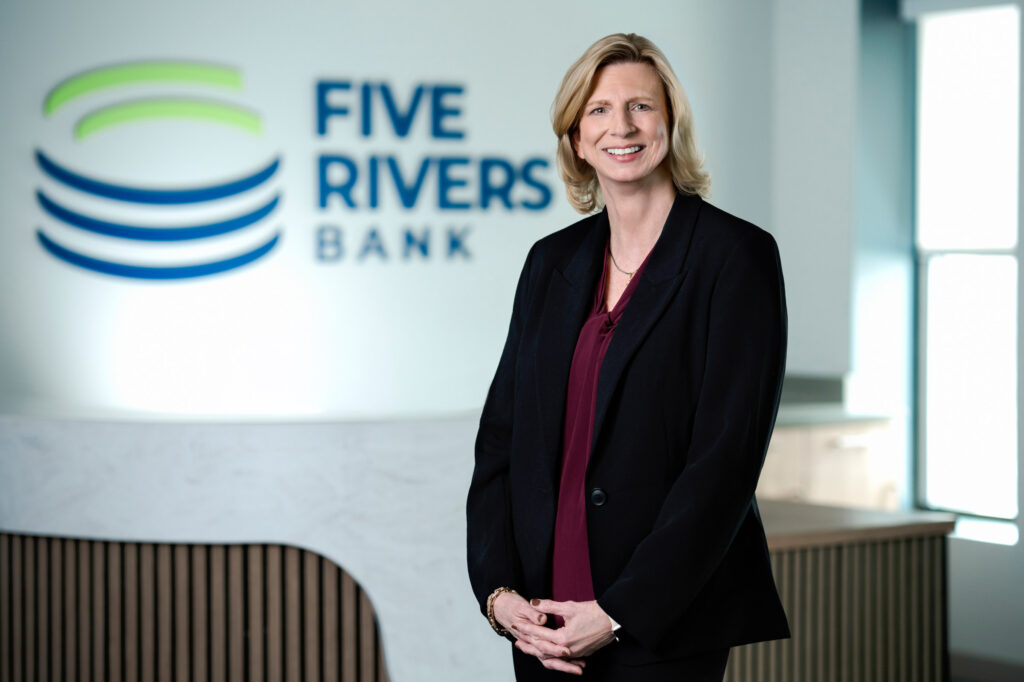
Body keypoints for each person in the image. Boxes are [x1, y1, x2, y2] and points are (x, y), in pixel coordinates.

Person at [466, 32, 789, 681]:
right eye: (600, 110)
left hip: (663, 621)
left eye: (641, 106)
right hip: (544, 620)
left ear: (670, 123)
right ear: (577, 139)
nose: (623, 126)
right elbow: (503, 443)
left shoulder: (736, 258)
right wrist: (500, 596)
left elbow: (724, 464)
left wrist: (619, 611)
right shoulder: (549, 263)